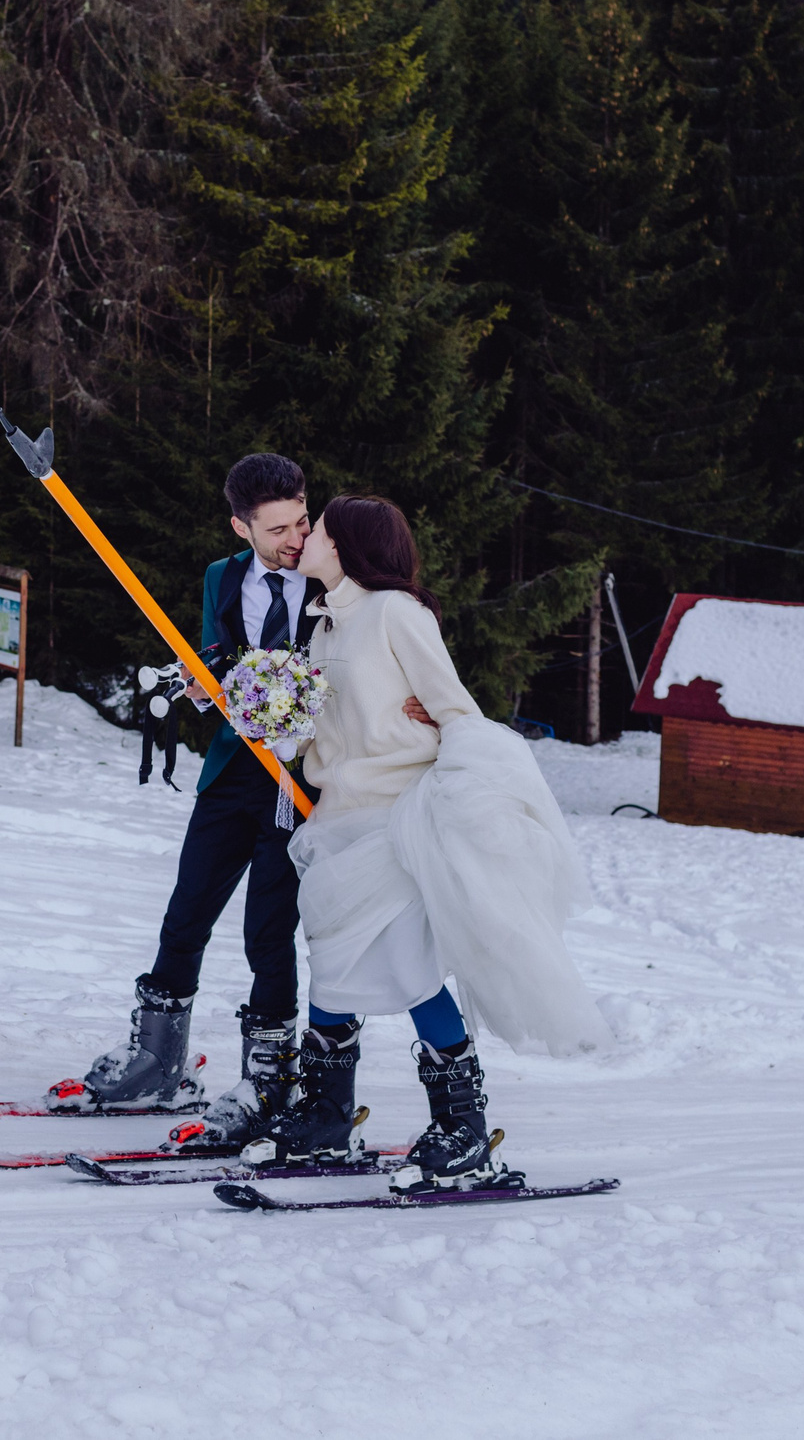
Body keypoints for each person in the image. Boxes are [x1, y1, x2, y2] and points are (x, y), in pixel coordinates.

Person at [242, 493, 612, 1193]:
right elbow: (316, 737)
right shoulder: (322, 628)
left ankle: (463, 1129)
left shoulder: (396, 614)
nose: (304, 537)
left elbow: (457, 711)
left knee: (410, 967)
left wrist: (443, 743)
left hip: (396, 821)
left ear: (346, 544)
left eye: (315, 527)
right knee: (332, 963)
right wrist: (270, 716)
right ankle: (325, 1112)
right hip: (337, 822)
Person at [64, 455, 434, 1147]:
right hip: (233, 768)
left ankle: (267, 1078)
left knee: (268, 930)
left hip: (299, 781)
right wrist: (204, 685)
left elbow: (380, 639)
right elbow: (221, 657)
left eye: (301, 520)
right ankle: (157, 1058)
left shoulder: (336, 575)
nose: (296, 537)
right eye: (278, 529)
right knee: (187, 908)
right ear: (242, 526)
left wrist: (416, 700)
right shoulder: (221, 577)